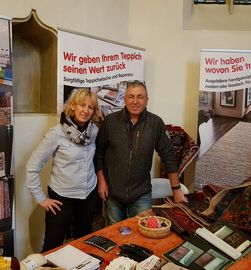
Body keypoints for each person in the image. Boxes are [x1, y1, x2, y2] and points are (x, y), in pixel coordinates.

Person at [94, 81, 188, 225]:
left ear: (146, 100)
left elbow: (169, 156)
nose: (135, 101)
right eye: (131, 97)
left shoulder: (155, 123)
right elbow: (99, 152)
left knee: (142, 234)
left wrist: (176, 189)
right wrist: (101, 181)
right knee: (115, 235)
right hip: (113, 194)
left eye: (140, 97)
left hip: (141, 195)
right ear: (124, 99)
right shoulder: (110, 122)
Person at [25, 88, 101, 252]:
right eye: (82, 105)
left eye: (90, 107)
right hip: (61, 198)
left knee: (83, 242)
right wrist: (40, 198)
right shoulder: (56, 133)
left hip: (88, 195)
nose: (86, 110)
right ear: (73, 106)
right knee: (53, 245)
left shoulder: (94, 131)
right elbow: (32, 166)